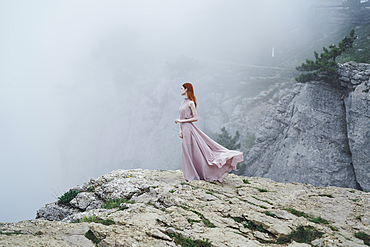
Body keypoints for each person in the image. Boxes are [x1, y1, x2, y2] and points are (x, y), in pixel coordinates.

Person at [175, 82, 244, 182]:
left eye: (182, 88)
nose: (180, 90)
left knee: (191, 151)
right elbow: (180, 117)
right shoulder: (182, 103)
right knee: (186, 152)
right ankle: (190, 175)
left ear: (186, 89)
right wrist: (180, 130)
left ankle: (194, 175)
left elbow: (195, 118)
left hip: (190, 129)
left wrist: (182, 121)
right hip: (184, 129)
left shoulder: (191, 103)